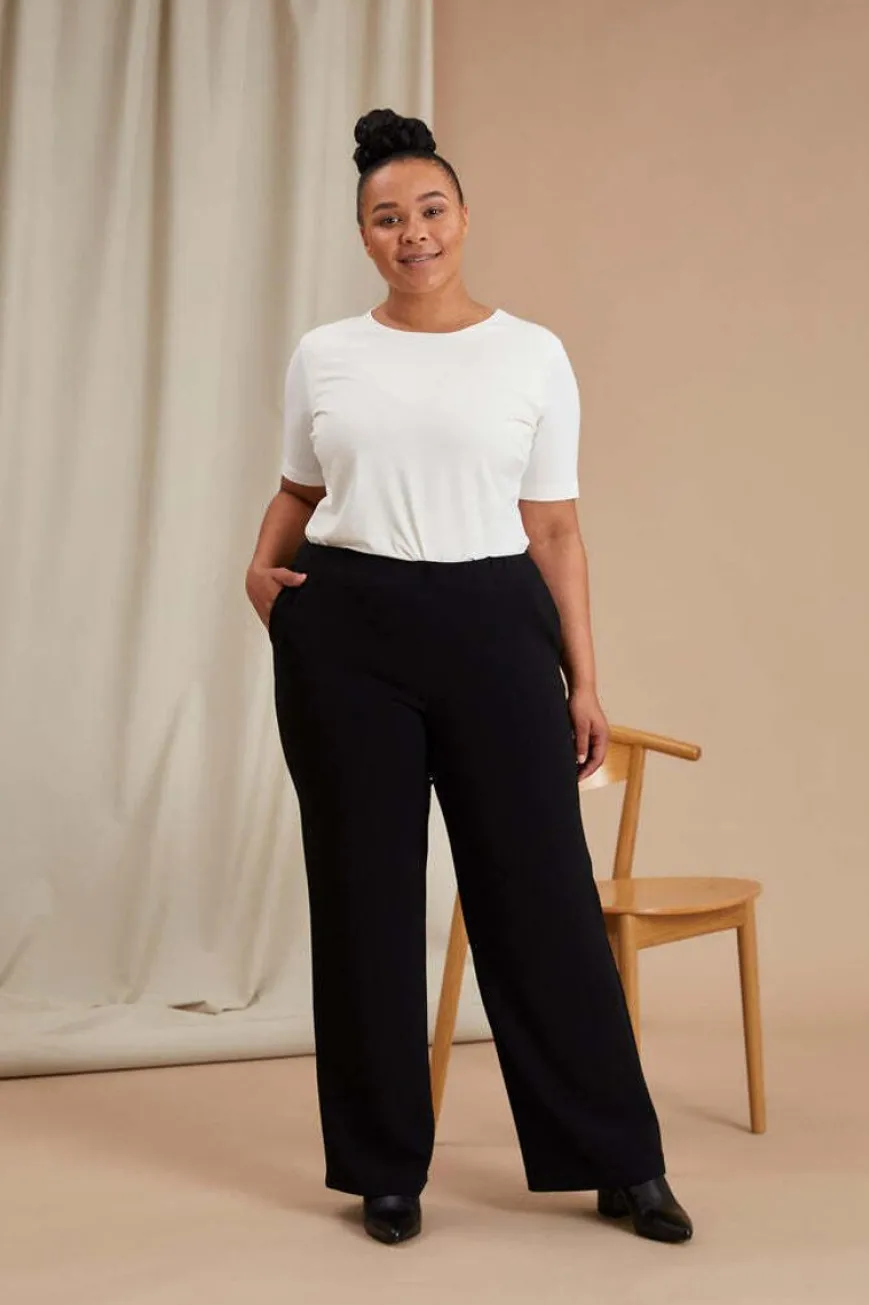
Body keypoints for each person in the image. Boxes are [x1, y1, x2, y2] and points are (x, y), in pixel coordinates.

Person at [245, 108, 693, 1248]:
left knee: (540, 894)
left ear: (462, 216)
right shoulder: (326, 354)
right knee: (365, 898)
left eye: (430, 209)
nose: (413, 232)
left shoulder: (532, 354)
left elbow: (556, 531)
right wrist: (259, 572)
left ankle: (620, 1160)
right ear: (363, 235)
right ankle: (383, 1169)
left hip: (496, 624)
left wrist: (584, 682)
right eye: (387, 217)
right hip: (350, 633)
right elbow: (300, 491)